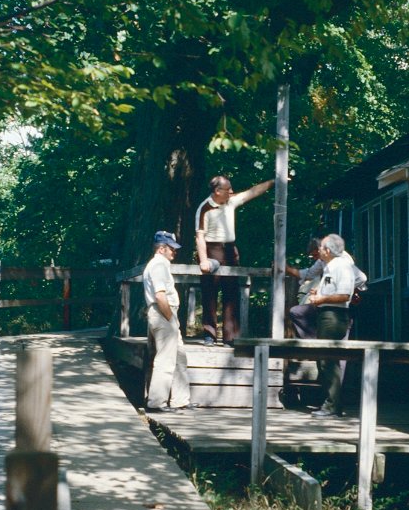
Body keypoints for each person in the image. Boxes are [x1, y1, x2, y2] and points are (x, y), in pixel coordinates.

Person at [195, 175, 274, 345]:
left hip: (230, 250)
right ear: (217, 191)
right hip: (211, 249)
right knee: (210, 293)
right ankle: (210, 334)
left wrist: (274, 181)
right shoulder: (205, 208)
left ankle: (230, 337)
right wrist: (203, 260)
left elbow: (252, 192)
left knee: (231, 293)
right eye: (228, 189)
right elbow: (200, 237)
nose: (232, 192)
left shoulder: (230, 201)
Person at [143, 230, 198, 413]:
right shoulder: (158, 265)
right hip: (163, 313)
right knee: (165, 359)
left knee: (180, 357)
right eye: (171, 249)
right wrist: (169, 318)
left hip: (167, 315)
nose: (174, 252)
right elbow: (160, 295)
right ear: (161, 249)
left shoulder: (162, 264)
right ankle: (156, 402)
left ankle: (180, 400)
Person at [307, 233, 357, 418]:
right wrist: (319, 292)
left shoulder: (342, 266)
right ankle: (332, 404)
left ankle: (332, 406)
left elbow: (345, 295)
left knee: (328, 360)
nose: (318, 250)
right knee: (325, 360)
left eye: (321, 248)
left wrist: (321, 298)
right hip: (326, 314)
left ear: (327, 250)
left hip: (334, 317)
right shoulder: (330, 266)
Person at [287, 235, 367, 340]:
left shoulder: (342, 261)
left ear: (326, 250)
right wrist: (319, 290)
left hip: (339, 309)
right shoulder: (325, 262)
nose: (316, 258)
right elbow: (310, 274)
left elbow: (360, 278)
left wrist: (351, 291)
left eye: (316, 253)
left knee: (335, 343)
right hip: (326, 308)